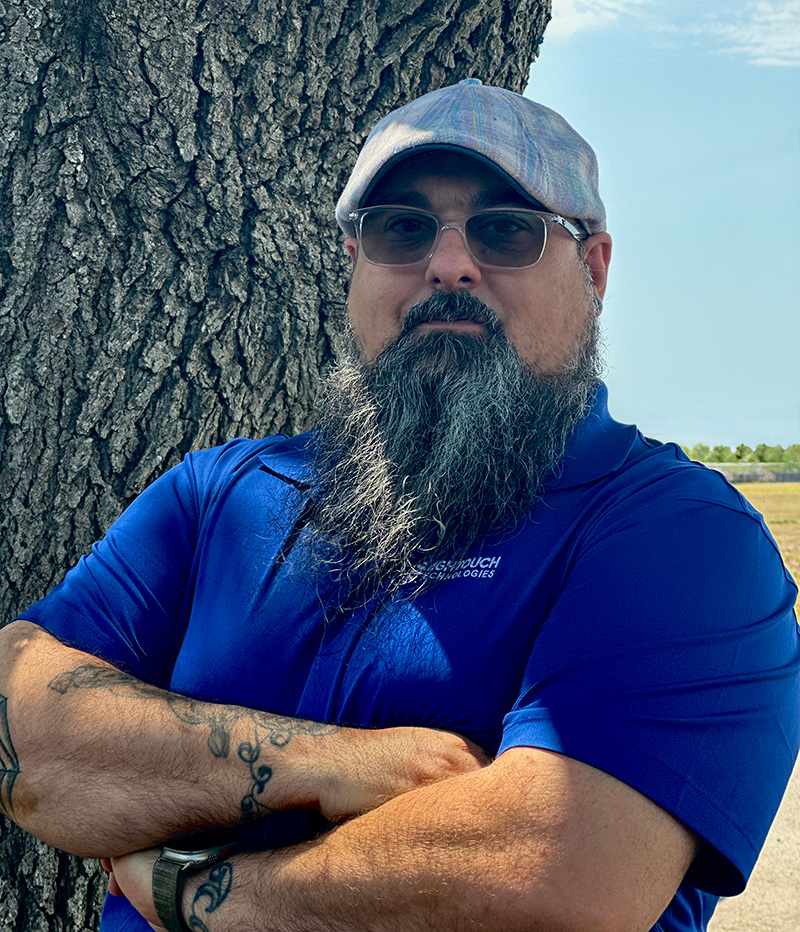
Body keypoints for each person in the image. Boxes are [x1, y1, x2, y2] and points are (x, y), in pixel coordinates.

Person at [0, 78, 797, 932]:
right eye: (402, 228)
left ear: (594, 271)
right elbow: (21, 714)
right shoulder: (219, 496)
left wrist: (189, 892)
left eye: (506, 230)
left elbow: (554, 875)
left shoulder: (681, 536)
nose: (449, 264)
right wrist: (332, 765)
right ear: (354, 265)